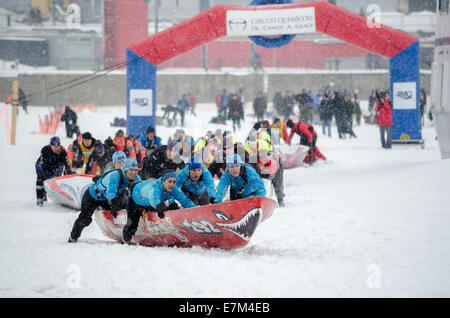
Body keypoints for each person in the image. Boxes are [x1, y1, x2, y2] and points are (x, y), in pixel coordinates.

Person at [68, 158, 141, 243]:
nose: (134, 173)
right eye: (131, 170)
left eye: (136, 170)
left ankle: (127, 231)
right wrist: (113, 205)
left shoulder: (136, 177)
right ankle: (73, 237)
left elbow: (140, 189)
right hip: (93, 196)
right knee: (85, 220)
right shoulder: (115, 175)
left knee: (129, 204)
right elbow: (111, 193)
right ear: (125, 169)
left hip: (105, 198)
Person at [122, 169, 196, 244]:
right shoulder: (155, 188)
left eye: (174, 182)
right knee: (132, 223)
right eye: (169, 181)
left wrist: (195, 209)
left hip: (152, 197)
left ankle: (176, 228)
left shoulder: (174, 188)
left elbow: (184, 200)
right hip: (134, 197)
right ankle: (126, 239)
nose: (172, 184)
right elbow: (153, 199)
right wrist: (158, 205)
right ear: (163, 182)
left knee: (174, 206)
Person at [35, 136, 73, 206]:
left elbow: (68, 168)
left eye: (58, 146)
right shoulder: (45, 150)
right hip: (41, 166)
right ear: (50, 145)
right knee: (42, 179)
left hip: (55, 165)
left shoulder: (63, 153)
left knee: (57, 178)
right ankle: (40, 200)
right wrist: (47, 179)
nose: (56, 148)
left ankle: (63, 197)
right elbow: (44, 167)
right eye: (54, 146)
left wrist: (71, 178)